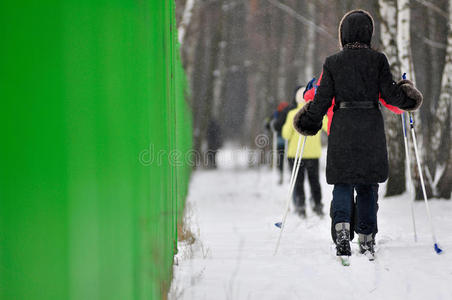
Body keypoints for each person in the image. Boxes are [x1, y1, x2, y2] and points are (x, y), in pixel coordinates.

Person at [293, 10, 423, 259]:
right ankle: (366, 236)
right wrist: (408, 93)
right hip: (370, 128)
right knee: (367, 184)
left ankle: (342, 230)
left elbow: (322, 100)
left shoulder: (332, 62)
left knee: (342, 182)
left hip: (342, 127)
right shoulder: (378, 60)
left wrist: (307, 121)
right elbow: (391, 95)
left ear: (344, 33)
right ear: (368, 32)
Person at [282, 85, 328, 217]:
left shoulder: (292, 114)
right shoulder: (316, 114)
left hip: (295, 154)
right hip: (313, 154)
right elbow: (327, 126)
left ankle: (300, 206)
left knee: (298, 181)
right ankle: (317, 205)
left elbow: (285, 134)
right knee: (314, 181)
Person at [265, 102, 289, 184]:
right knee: (286, 158)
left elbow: (267, 122)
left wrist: (269, 124)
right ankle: (284, 175)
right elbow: (268, 122)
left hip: (282, 139)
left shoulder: (277, 114)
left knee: (281, 158)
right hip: (285, 139)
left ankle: (282, 175)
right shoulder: (285, 113)